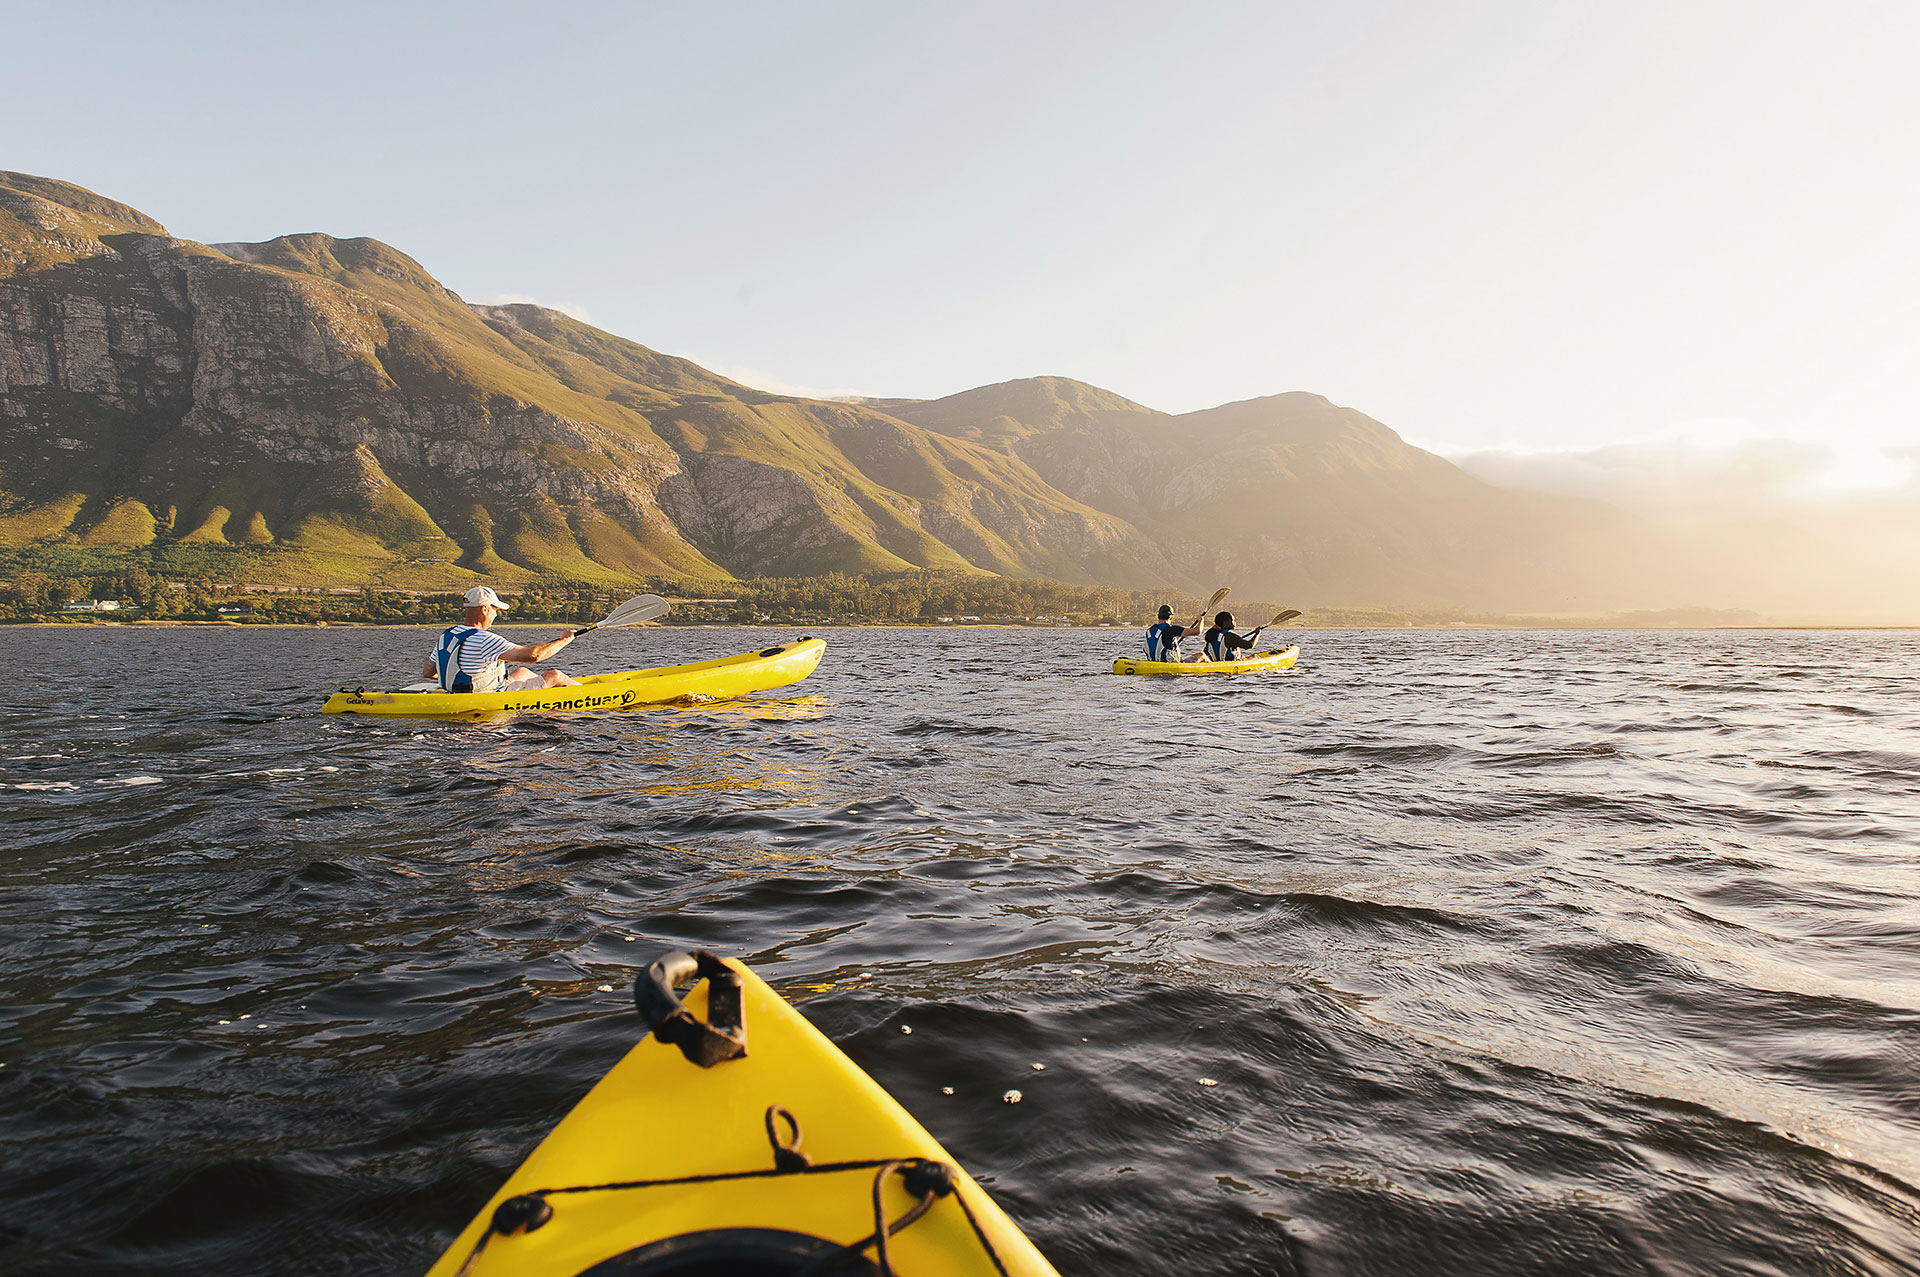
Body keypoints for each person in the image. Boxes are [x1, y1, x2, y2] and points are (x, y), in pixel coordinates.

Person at [423, 586, 581, 692]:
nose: (495, 614)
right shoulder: (484, 639)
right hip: (490, 695)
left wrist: (454, 681)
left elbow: (429, 672)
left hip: (462, 691)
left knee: (522, 672)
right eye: (495, 609)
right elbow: (534, 655)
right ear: (485, 609)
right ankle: (588, 695)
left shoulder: (447, 635)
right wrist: (564, 640)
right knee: (555, 675)